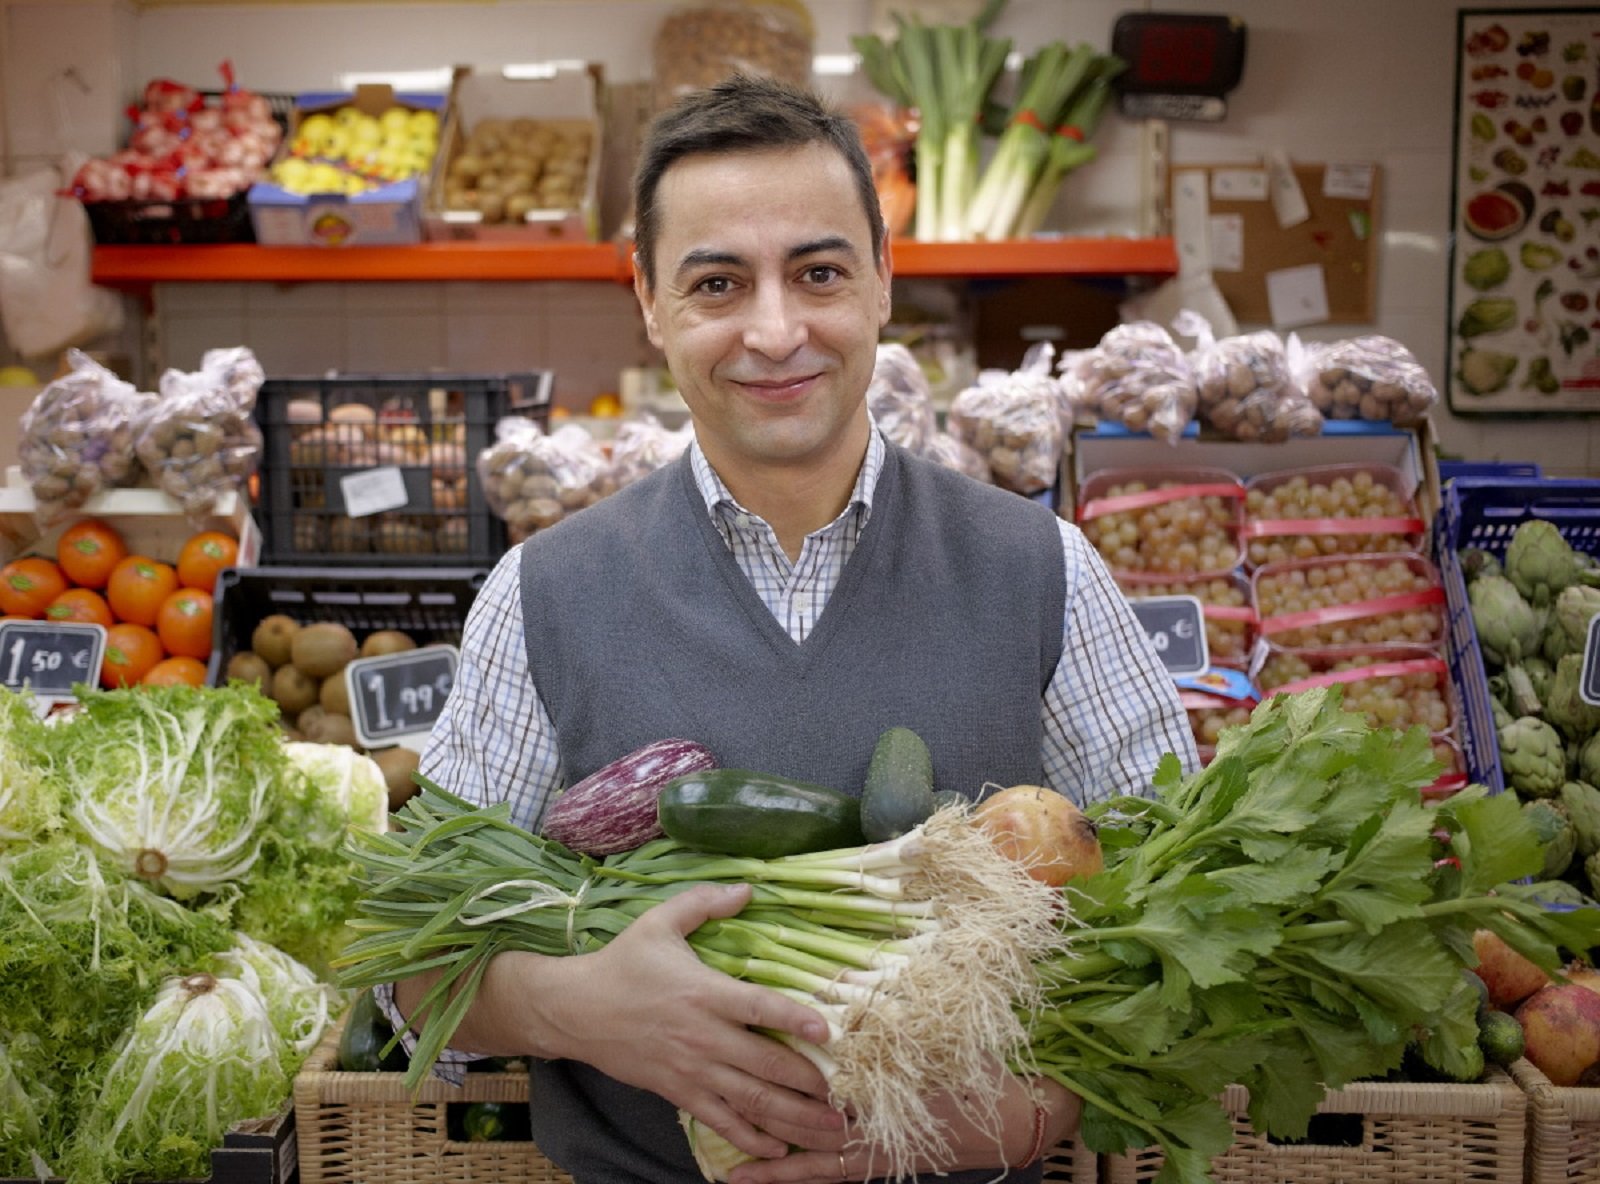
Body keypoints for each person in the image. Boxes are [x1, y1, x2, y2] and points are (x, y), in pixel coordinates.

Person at [382, 73, 1196, 1184]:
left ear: (880, 284)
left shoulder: (1041, 571)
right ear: (650, 303)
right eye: (718, 283)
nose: (775, 331)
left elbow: (1189, 921)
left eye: (817, 272)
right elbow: (414, 968)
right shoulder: (543, 592)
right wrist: (581, 1008)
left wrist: (1022, 1113)